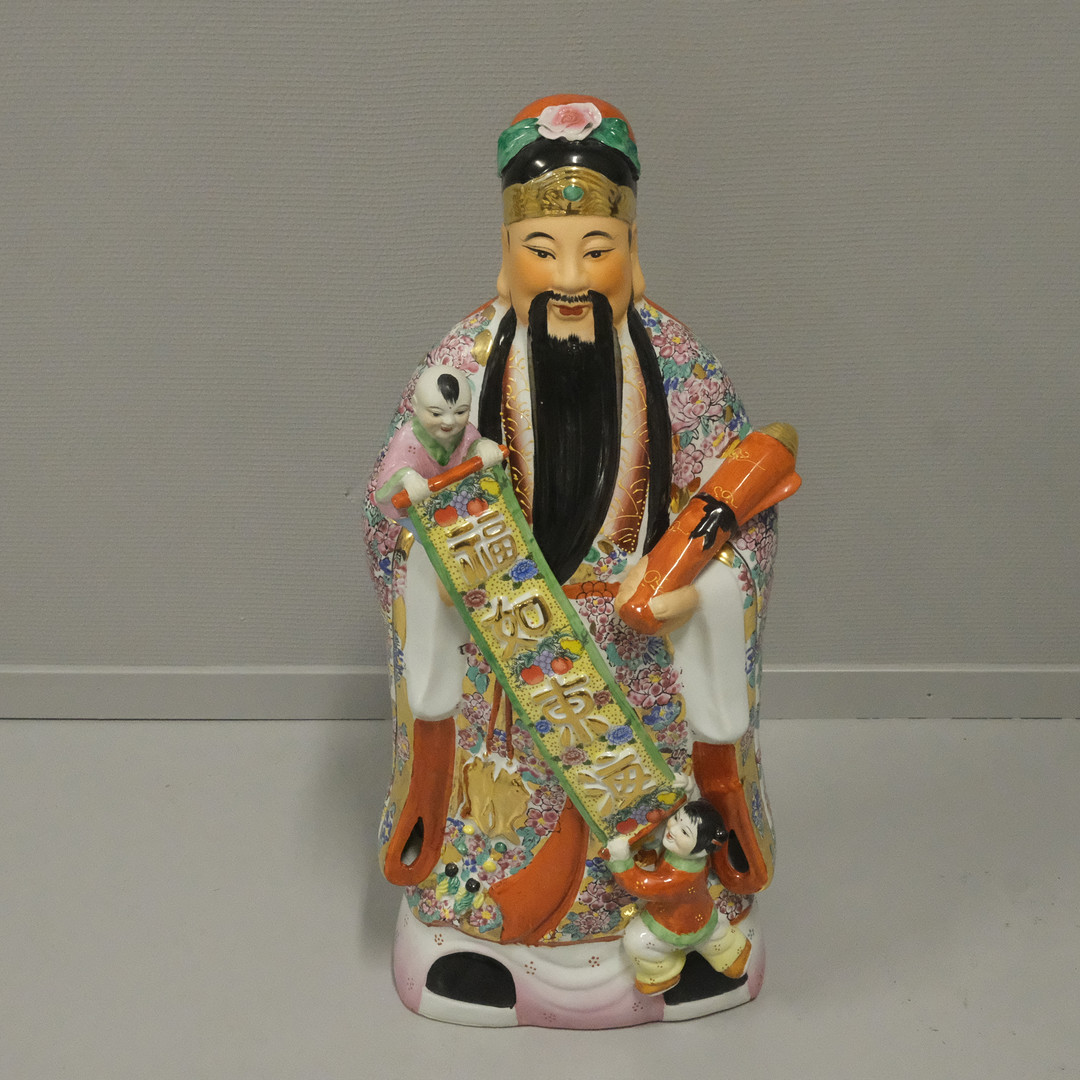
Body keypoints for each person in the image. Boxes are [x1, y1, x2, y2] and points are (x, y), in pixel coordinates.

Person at [364, 96, 781, 1027]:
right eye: (542, 249)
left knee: (662, 833)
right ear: (505, 250)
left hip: (641, 667)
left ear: (632, 248)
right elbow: (389, 503)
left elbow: (744, 517)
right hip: (502, 663)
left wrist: (700, 590)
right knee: (495, 817)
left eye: (597, 250)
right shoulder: (462, 362)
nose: (569, 277)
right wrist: (433, 544)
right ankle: (477, 944)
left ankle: (680, 943)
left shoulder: (680, 365)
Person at [605, 800, 751, 996]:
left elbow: (643, 885)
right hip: (702, 912)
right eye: (676, 818)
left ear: (702, 850)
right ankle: (733, 954)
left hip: (674, 925)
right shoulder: (687, 855)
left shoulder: (680, 877)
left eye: (684, 832)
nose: (673, 828)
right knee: (715, 935)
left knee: (636, 941)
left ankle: (661, 975)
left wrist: (621, 861)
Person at [372, 365, 502, 520]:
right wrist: (406, 477)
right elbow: (382, 494)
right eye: (436, 413)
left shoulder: (467, 432)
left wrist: (482, 446)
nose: (449, 421)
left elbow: (474, 455)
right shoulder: (407, 440)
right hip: (414, 518)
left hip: (459, 511)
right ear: (415, 405)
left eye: (460, 412)